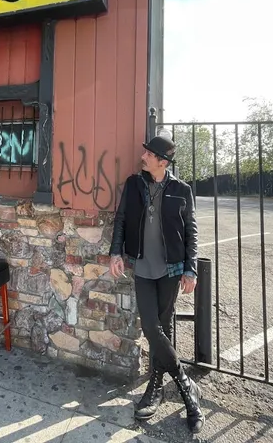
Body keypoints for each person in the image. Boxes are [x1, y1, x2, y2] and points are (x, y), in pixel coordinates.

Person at [109, 134, 204, 434]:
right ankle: (187, 387)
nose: (144, 156)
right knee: (151, 327)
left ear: (162, 162)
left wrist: (191, 269)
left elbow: (191, 231)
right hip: (142, 267)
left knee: (165, 324)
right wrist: (115, 252)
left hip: (171, 270)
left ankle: (156, 385)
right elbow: (121, 219)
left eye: (149, 153)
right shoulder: (134, 185)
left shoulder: (181, 190)